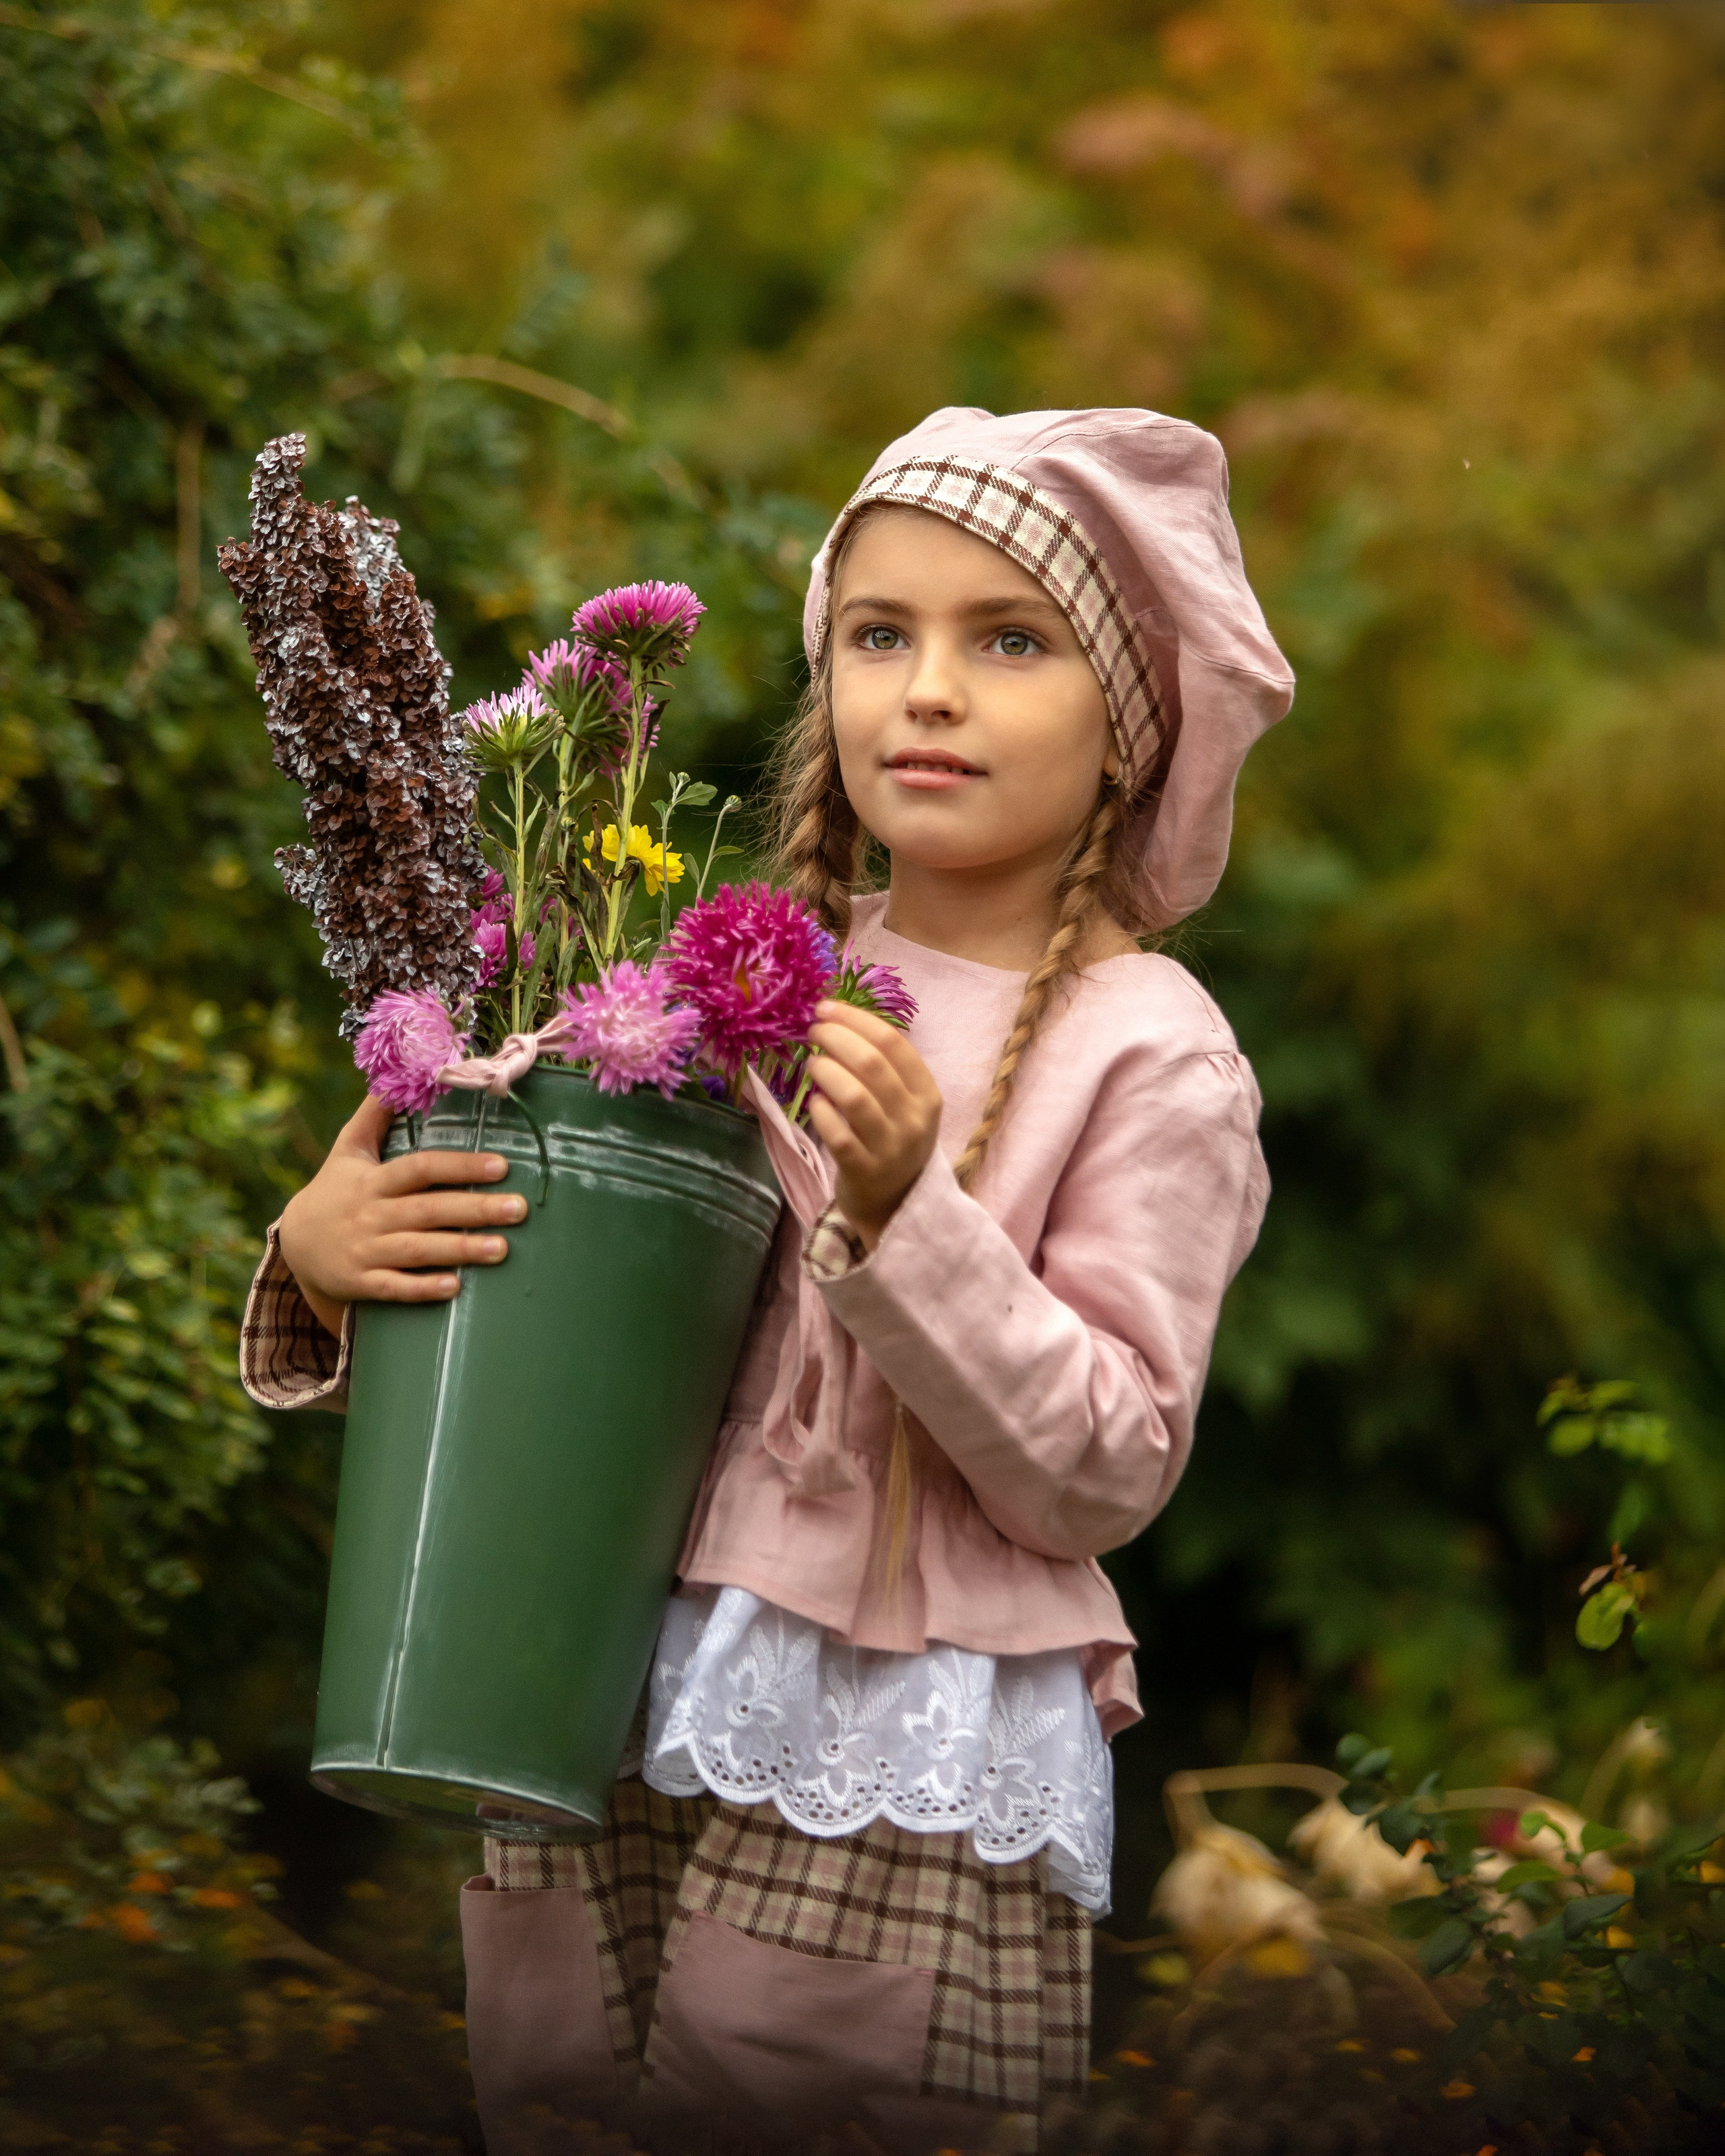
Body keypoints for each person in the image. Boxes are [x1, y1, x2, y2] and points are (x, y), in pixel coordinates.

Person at [239, 405, 1294, 2155]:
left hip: (889, 1746)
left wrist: (908, 1215)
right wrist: (327, 1259)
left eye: (1009, 640)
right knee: (559, 2107)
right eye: (882, 633)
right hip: (606, 1682)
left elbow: (1104, 1462)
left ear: (1131, 727)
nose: (928, 688)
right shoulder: (722, 979)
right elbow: (573, 1322)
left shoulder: (1152, 1057)